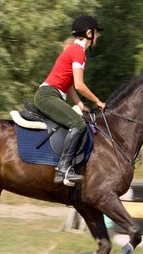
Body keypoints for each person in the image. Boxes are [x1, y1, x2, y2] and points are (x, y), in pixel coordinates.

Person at [34, 15, 106, 184]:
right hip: (47, 96)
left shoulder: (74, 50)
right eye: (96, 33)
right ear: (89, 33)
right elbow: (80, 85)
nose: (97, 37)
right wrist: (98, 102)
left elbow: (70, 85)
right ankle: (63, 169)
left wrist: (80, 104)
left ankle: (64, 168)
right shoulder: (78, 52)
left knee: (78, 120)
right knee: (79, 124)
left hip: (50, 94)